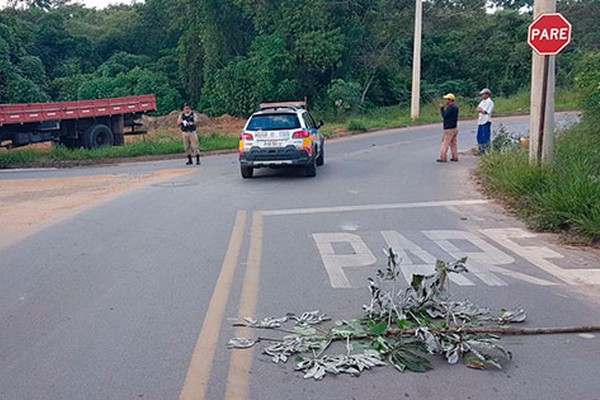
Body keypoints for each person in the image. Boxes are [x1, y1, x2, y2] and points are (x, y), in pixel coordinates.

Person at [437, 93, 459, 163]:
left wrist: (442, 109)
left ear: (450, 100)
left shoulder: (450, 108)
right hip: (454, 128)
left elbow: (445, 116)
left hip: (449, 129)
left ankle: (443, 157)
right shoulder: (455, 107)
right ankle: (455, 157)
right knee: (453, 143)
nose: (445, 101)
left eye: (446, 99)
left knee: (445, 143)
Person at [476, 88, 494, 154]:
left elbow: (485, 111)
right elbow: (477, 109)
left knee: (485, 136)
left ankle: (486, 151)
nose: (482, 96)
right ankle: (481, 150)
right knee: (479, 136)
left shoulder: (489, 102)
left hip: (486, 121)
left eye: (483, 94)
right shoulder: (482, 102)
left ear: (487, 94)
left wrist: (481, 110)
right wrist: (480, 110)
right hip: (481, 121)